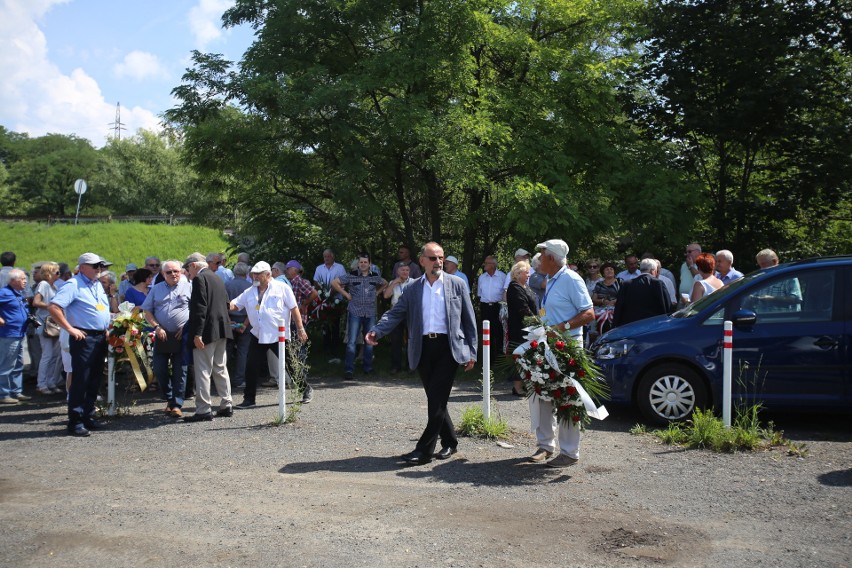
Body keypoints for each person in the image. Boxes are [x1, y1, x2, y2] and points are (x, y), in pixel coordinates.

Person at [366, 242, 477, 465]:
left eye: (441, 258)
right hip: (423, 347)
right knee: (436, 398)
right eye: (433, 258)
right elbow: (395, 313)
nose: (438, 262)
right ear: (422, 261)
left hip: (449, 348)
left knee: (436, 399)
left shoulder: (457, 284)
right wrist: (377, 331)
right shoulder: (413, 288)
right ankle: (450, 442)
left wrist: (471, 351)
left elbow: (468, 319)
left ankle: (424, 451)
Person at [528, 239, 594, 468]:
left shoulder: (571, 279)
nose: (539, 258)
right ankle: (545, 446)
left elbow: (589, 313)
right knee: (541, 395)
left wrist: (562, 328)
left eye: (542, 254)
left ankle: (569, 452)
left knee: (567, 401)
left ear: (552, 259)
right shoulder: (551, 279)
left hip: (567, 349)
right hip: (546, 346)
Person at [48, 253, 113, 436]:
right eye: (95, 266)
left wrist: (104, 327)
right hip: (83, 337)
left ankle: (87, 417)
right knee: (81, 380)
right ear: (82, 267)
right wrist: (70, 329)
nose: (99, 269)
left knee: (94, 379)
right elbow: (54, 307)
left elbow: (98, 309)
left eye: (100, 266)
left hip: (99, 336)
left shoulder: (96, 284)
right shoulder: (73, 284)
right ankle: (75, 421)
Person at [230, 262, 310, 407]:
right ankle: (249, 399)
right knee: (251, 367)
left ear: (268, 275)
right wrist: (221, 303)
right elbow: (235, 305)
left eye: (258, 274)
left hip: (278, 335)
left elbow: (294, 308)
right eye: (253, 274)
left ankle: (306, 390)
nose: (254, 277)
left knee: (290, 365)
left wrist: (300, 329)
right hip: (258, 334)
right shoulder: (250, 291)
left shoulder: (282, 288)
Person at [182, 252, 234, 422]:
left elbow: (199, 308)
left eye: (188, 269)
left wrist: (196, 333)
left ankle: (204, 409)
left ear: (194, 265)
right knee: (220, 367)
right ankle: (227, 403)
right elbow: (226, 304)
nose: (188, 274)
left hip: (206, 331)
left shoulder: (200, 279)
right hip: (222, 329)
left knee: (203, 369)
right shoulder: (217, 277)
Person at [142, 260, 191, 418]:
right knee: (159, 369)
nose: (173, 274)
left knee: (180, 371)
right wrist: (157, 327)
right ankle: (170, 398)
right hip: (162, 334)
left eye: (176, 271)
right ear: (163, 274)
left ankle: (177, 404)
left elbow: (197, 310)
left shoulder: (189, 287)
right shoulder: (156, 289)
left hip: (181, 335)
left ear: (181, 272)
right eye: (169, 272)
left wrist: (186, 327)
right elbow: (147, 311)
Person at [331, 254, 387, 380]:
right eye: (361, 262)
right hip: (355, 312)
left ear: (369, 264)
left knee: (369, 340)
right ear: (358, 264)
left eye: (365, 262)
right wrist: (346, 294)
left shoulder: (374, 277)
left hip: (370, 312)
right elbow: (334, 283)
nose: (363, 264)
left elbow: (385, 283)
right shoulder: (351, 275)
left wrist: (377, 293)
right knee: (352, 342)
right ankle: (349, 370)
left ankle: (368, 368)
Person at [505, 260, 537, 397]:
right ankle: (517, 388)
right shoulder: (514, 287)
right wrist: (535, 320)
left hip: (529, 327)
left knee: (527, 356)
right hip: (519, 328)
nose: (529, 275)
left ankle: (526, 384)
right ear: (518, 274)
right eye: (526, 272)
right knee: (518, 356)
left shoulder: (525, 286)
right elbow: (523, 308)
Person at [0, 269, 32, 404]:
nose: (25, 281)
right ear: (13, 281)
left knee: (18, 364)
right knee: (7, 364)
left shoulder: (18, 293)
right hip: (9, 334)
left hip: (19, 333)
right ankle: (3, 394)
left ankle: (16, 391)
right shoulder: (4, 292)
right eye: (23, 279)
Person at [32, 262, 64, 395]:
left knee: (55, 355)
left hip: (53, 324)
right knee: (47, 354)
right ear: (49, 273)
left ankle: (51, 381)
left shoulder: (54, 287)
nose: (59, 274)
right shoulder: (44, 285)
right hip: (45, 323)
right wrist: (51, 307)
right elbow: (36, 302)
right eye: (57, 272)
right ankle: (42, 383)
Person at [613, 259, 673, 327]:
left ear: (641, 270)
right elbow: (667, 307)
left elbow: (618, 308)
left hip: (630, 327)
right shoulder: (658, 284)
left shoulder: (626, 284)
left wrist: (615, 326)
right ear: (653, 271)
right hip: (653, 326)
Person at [312, 249, 347, 360]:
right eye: (324, 256)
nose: (326, 258)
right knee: (325, 324)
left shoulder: (339, 267)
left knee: (335, 324)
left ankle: (335, 348)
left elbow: (343, 282)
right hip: (323, 300)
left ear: (332, 256)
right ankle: (326, 347)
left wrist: (332, 292)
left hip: (336, 300)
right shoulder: (319, 268)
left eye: (328, 256)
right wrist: (323, 291)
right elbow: (316, 282)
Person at [382, 263, 415, 373]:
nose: (405, 272)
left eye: (407, 270)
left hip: (409, 313)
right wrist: (395, 282)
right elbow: (386, 296)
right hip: (396, 313)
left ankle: (410, 366)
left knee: (411, 339)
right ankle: (395, 366)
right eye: (402, 270)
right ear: (397, 272)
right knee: (396, 340)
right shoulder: (393, 282)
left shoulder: (414, 282)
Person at [225, 261, 252, 390]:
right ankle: (239, 379)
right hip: (246, 321)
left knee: (226, 350)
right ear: (246, 272)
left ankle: (223, 378)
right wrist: (246, 323)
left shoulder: (227, 285)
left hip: (229, 320)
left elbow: (223, 305)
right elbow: (253, 308)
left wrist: (228, 320)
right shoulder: (250, 286)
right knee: (243, 351)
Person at [477, 256, 505, 363]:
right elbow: (480, 294)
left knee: (499, 333)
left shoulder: (502, 276)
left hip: (498, 307)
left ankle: (500, 360)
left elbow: (505, 293)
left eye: (486, 263)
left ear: (493, 265)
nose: (484, 265)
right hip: (485, 307)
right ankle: (488, 360)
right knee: (486, 333)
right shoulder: (482, 278)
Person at [591, 262, 620, 337]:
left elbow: (625, 296)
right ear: (603, 273)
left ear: (614, 272)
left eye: (611, 269)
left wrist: (615, 301)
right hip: (601, 312)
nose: (609, 271)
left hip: (617, 311)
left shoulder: (620, 282)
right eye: (607, 269)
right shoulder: (599, 285)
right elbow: (593, 300)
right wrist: (603, 301)